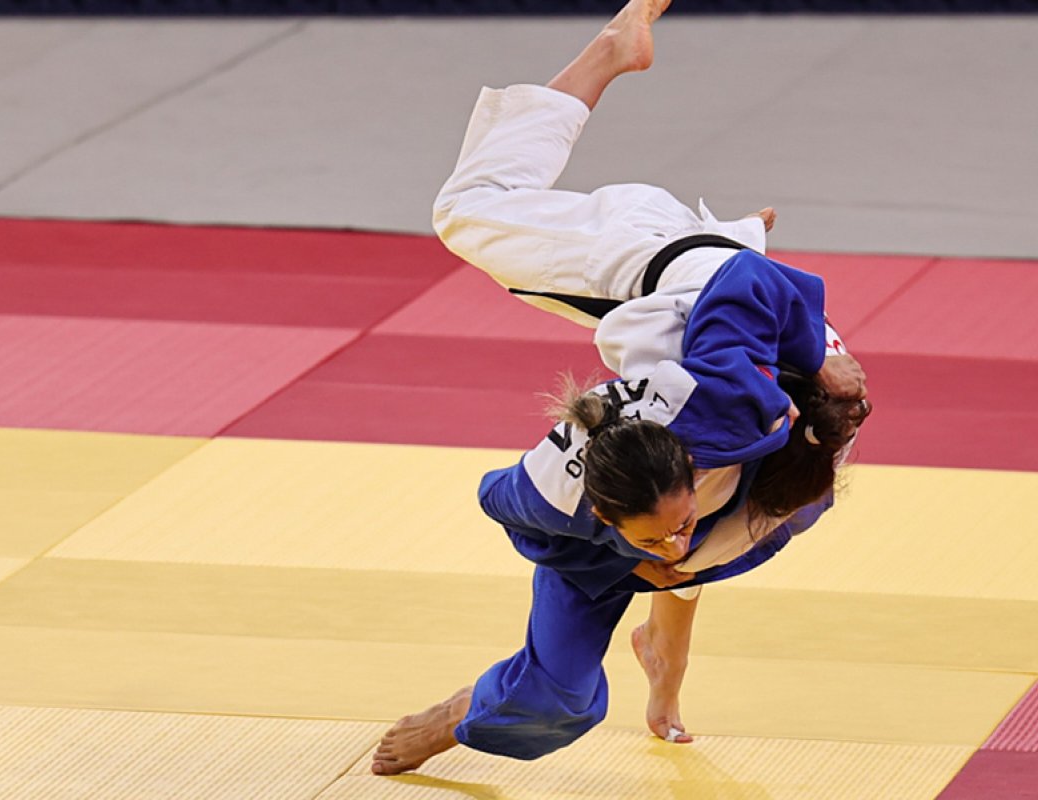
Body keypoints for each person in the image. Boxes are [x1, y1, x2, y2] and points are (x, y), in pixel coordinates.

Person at [371, 0, 870, 776]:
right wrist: (640, 552)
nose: (673, 543)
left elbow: (752, 281)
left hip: (696, 286)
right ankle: (576, 674)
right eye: (655, 532)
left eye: (675, 524)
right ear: (600, 511)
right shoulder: (558, 488)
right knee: (564, 696)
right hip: (715, 324)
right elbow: (505, 504)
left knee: (465, 214)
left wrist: (814, 349)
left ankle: (612, 49)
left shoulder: (739, 424)